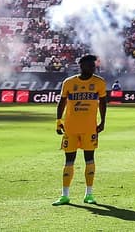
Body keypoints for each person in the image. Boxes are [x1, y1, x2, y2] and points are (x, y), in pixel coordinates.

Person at [53, 53, 108, 206]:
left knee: (89, 159)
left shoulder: (99, 83)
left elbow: (103, 103)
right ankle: (64, 195)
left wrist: (103, 121)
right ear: (82, 65)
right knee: (69, 160)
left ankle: (89, 194)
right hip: (70, 128)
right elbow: (62, 102)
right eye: (90, 65)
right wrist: (58, 121)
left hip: (90, 129)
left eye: (94, 65)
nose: (93, 67)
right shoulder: (69, 82)